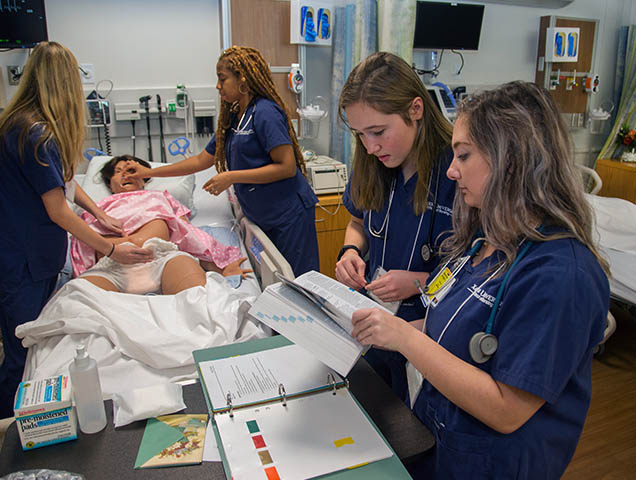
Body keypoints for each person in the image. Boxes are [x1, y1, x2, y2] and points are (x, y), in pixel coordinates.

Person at [350, 81, 610, 479]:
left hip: (493, 464)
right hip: (439, 441)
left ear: (512, 160)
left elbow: (506, 410)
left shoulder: (561, 275)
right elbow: (450, 324)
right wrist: (379, 328)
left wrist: (404, 338)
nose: (452, 171)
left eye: (464, 155)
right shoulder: (484, 243)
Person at [0, 42, 153, 418]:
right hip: (25, 261)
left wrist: (100, 212)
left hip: (34, 255)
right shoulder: (34, 134)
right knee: (25, 351)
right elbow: (56, 209)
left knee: (36, 346)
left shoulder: (24, 122)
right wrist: (112, 249)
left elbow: (64, 182)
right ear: (66, 84)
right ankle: (9, 435)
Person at [125, 46, 319, 277]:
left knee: (300, 282)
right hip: (263, 216)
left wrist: (231, 177)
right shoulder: (235, 119)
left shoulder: (266, 112)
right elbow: (200, 161)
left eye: (222, 79)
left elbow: (286, 167)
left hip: (288, 214)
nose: (218, 86)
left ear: (243, 79)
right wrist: (147, 172)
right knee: (279, 282)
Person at [335, 52, 456, 396]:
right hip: (372, 320)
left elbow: (483, 271)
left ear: (415, 110)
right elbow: (357, 220)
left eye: (378, 131)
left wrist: (421, 282)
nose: (370, 147)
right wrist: (350, 250)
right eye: (360, 134)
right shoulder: (372, 164)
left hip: (427, 330)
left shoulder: (456, 171)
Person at [73, 155, 252, 295]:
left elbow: (187, 232)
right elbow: (81, 244)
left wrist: (220, 265)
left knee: (199, 298)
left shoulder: (160, 197)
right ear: (110, 183)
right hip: (110, 266)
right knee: (79, 307)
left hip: (162, 259)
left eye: (131, 171)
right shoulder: (95, 207)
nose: (125, 174)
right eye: (118, 171)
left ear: (144, 179)